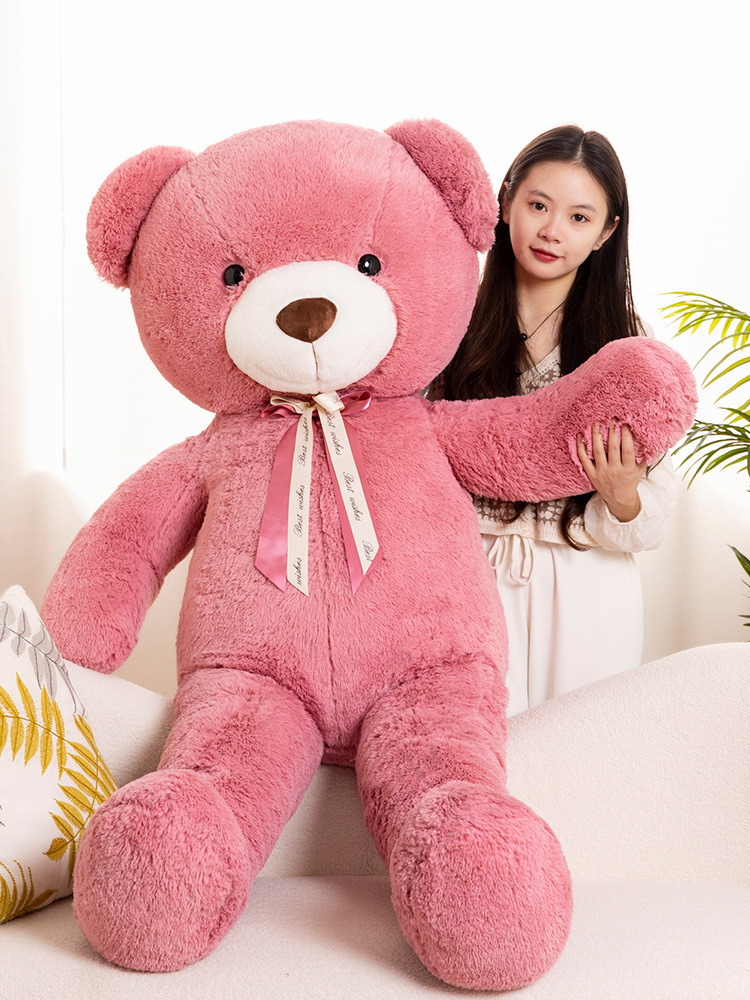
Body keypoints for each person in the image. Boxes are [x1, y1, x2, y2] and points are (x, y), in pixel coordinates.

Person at [432, 125, 678, 715]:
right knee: (471, 745)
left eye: (579, 217)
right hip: (463, 580)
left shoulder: (626, 345)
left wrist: (623, 493)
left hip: (587, 587)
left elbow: (652, 515)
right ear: (506, 201)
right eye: (538, 206)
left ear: (605, 232)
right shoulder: (445, 320)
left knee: (580, 750)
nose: (552, 231)